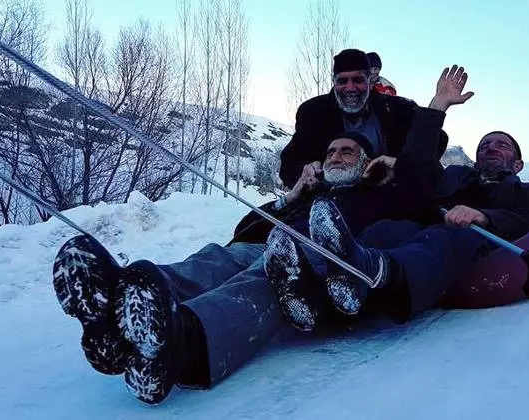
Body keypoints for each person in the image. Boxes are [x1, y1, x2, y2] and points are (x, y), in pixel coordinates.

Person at [51, 65, 470, 405]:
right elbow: (245, 230)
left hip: (318, 264)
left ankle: (187, 342)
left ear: (367, 161)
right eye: (331, 152)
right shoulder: (312, 190)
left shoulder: (385, 192)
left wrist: (435, 108)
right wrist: (290, 198)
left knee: (266, 276)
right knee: (218, 258)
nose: (337, 156)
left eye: (348, 151)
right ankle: (119, 300)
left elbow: (419, 174)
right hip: (273, 242)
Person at [267, 130, 529, 331]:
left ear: (518, 163)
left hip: (482, 246)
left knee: (452, 233)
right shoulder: (455, 179)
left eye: (501, 145)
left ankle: (370, 272)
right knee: (388, 229)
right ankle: (315, 294)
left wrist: (484, 216)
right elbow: (420, 172)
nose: (491, 149)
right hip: (425, 245)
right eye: (484, 146)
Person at [279, 48, 458, 189]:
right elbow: (290, 162)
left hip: (389, 199)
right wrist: (307, 171)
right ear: (333, 82)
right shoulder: (312, 112)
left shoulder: (399, 109)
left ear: (370, 81)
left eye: (357, 80)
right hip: (332, 200)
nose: (350, 88)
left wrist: (400, 168)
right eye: (342, 81)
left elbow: (434, 142)